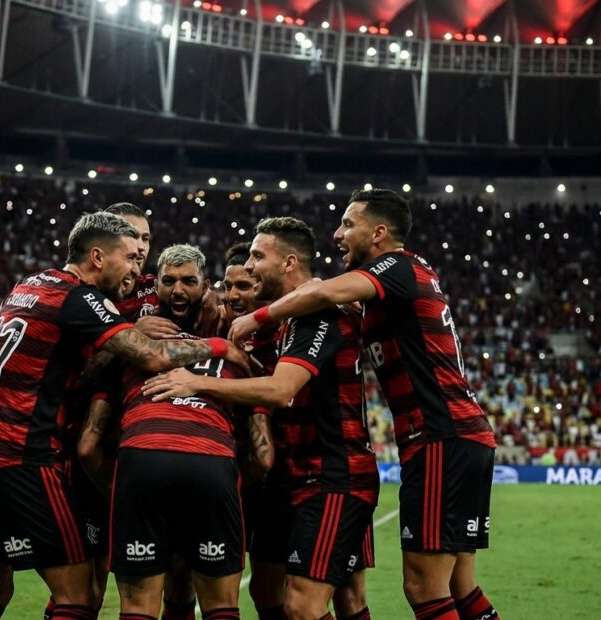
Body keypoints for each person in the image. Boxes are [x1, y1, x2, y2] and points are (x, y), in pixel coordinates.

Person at [0, 213, 248, 620]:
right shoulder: (80, 297)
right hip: (22, 453)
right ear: (98, 256)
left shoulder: (30, 284)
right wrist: (219, 347)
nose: (137, 266)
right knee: (79, 594)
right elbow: (151, 355)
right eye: (130, 256)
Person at [228, 190, 500, 620]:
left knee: (423, 586)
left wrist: (258, 317)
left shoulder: (397, 265)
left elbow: (322, 292)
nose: (337, 234)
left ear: (378, 233)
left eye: (347, 225)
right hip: (458, 435)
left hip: (439, 435)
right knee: (458, 585)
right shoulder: (395, 285)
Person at [145, 218, 378, 620]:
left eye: (257, 258)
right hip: (285, 479)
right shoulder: (275, 320)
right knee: (267, 589)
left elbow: (280, 390)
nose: (249, 268)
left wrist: (197, 383)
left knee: (317, 602)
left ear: (288, 263)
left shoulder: (316, 314)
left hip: (331, 474)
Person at [83, 244, 246, 620]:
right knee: (221, 606)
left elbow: (89, 443)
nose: (178, 290)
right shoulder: (232, 348)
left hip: (141, 465)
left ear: (206, 286)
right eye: (169, 281)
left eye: (188, 281)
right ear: (154, 284)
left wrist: (117, 488)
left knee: (138, 607)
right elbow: (263, 452)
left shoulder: (131, 348)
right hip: (213, 468)